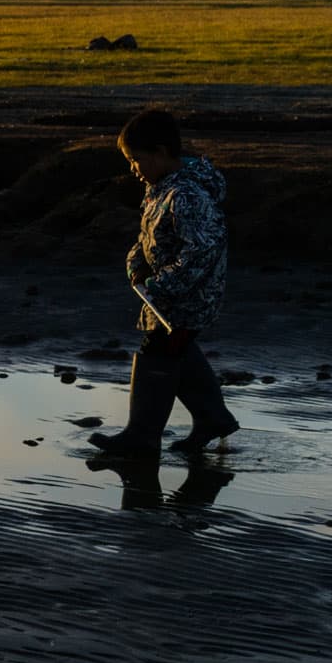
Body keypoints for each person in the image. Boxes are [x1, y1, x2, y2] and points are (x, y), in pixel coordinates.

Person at [90, 108, 239, 455]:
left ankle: (141, 437)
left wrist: (161, 286)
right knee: (178, 352)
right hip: (164, 298)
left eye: (136, 160)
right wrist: (136, 265)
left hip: (186, 299)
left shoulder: (186, 195)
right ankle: (212, 418)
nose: (133, 170)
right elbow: (150, 238)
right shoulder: (161, 189)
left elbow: (203, 249)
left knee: (157, 352)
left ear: (160, 152)